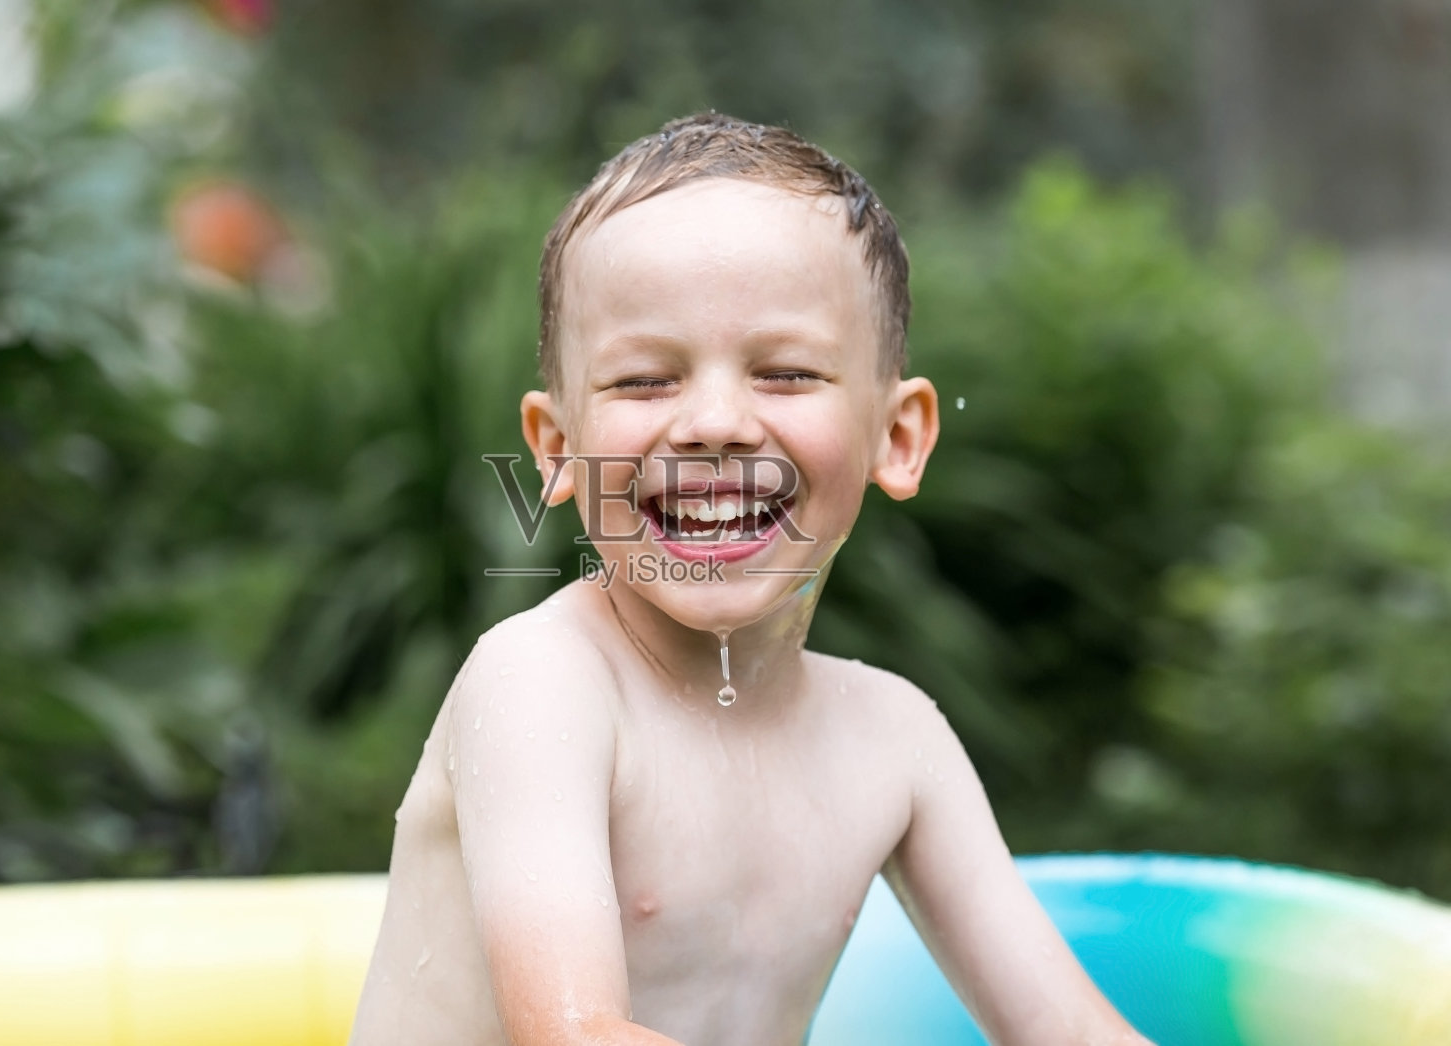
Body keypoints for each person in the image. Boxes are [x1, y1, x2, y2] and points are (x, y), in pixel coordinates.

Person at [348, 112, 1154, 1046]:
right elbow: (571, 1037)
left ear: (897, 439)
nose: (715, 422)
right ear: (558, 449)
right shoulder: (544, 684)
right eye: (646, 381)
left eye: (785, 373)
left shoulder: (895, 742)